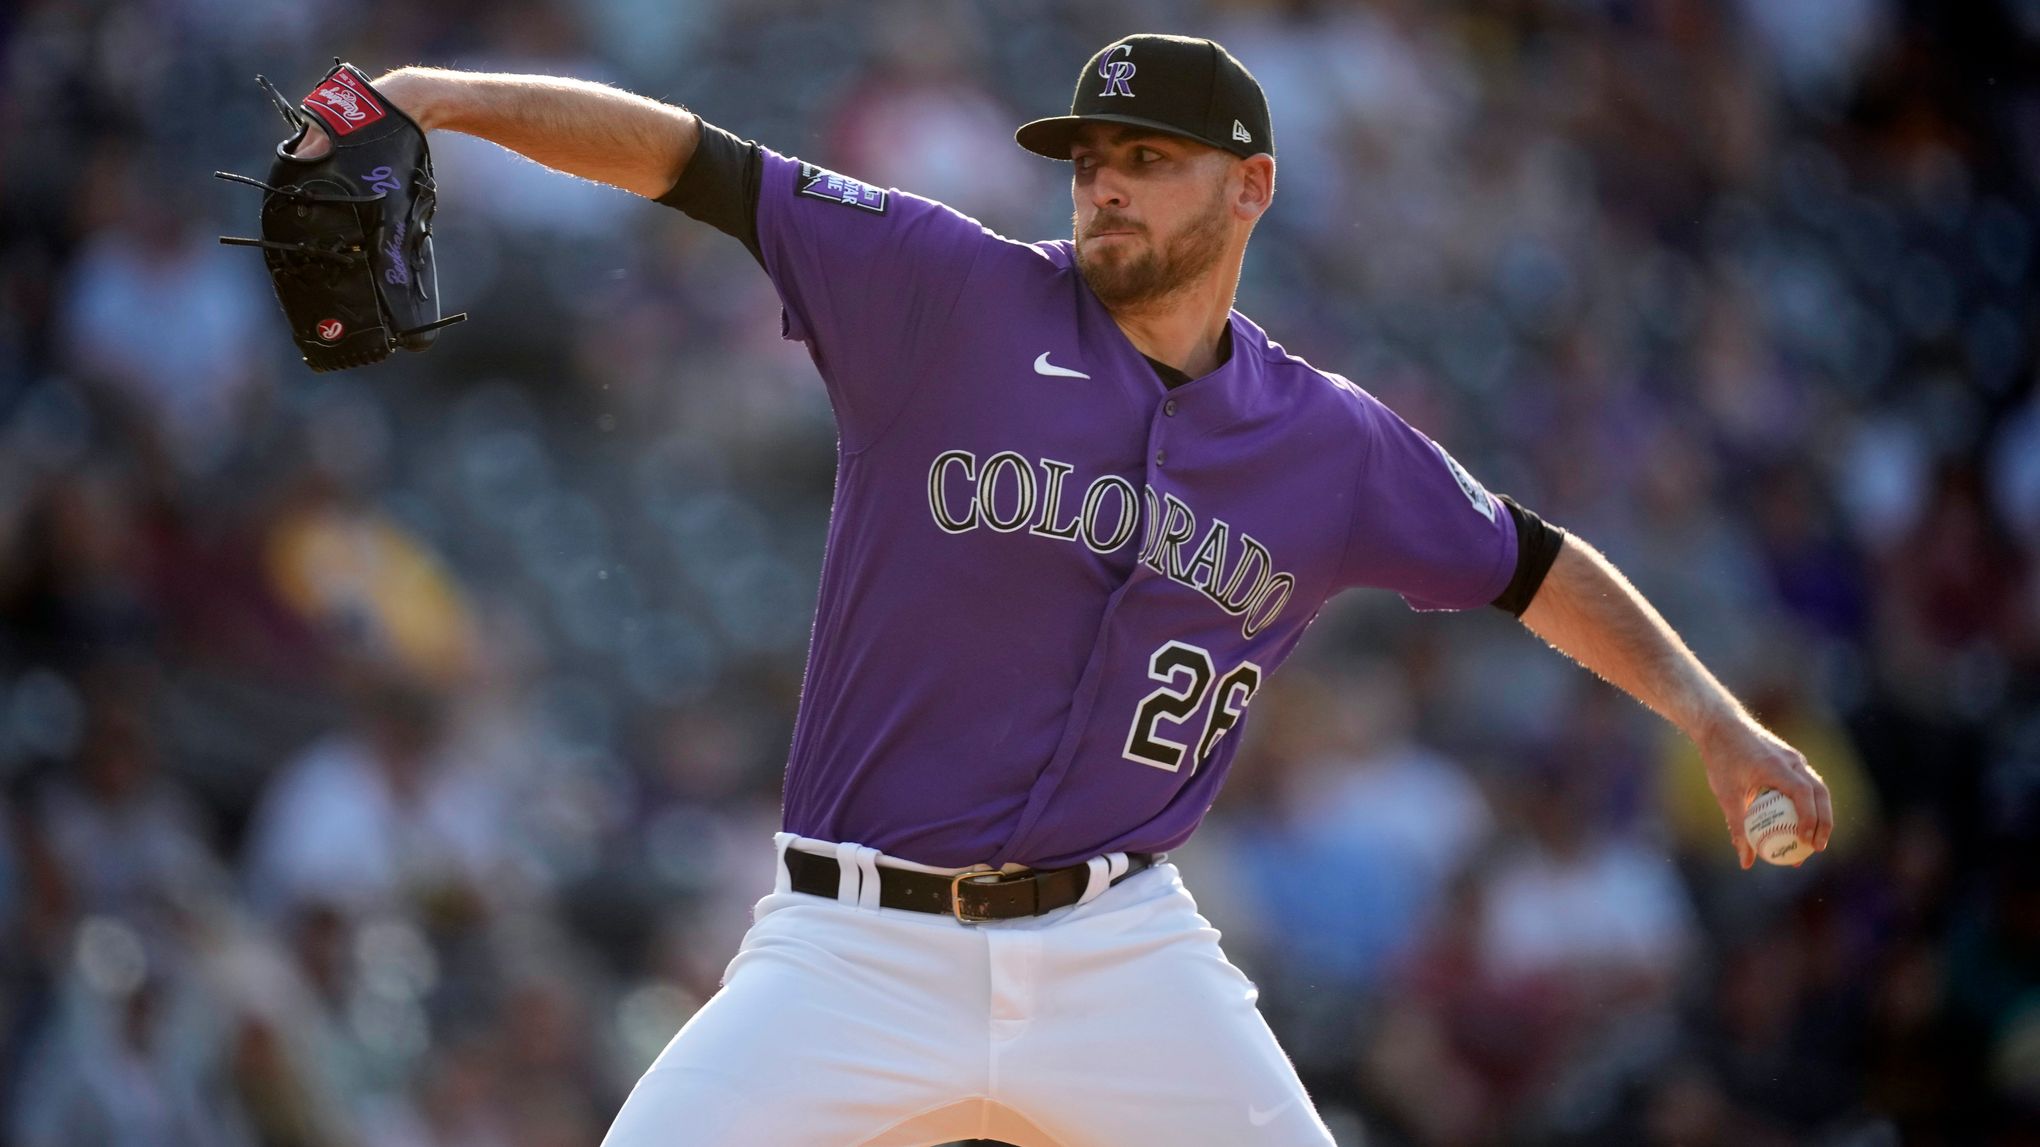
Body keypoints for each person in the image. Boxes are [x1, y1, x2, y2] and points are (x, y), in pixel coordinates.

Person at [286, 33, 1834, 1147]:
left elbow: (1537, 568)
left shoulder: (1331, 446)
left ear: (1251, 190)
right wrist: (434, 99)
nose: (1103, 188)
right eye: (1091, 160)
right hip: (852, 946)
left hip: (1121, 953)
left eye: (1146, 163)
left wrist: (1712, 722)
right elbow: (692, 160)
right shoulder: (943, 288)